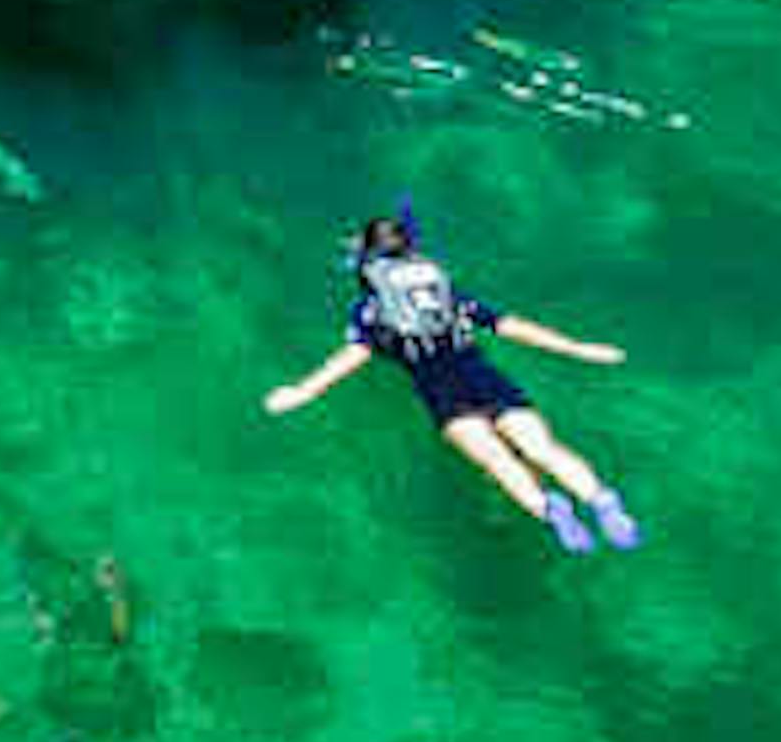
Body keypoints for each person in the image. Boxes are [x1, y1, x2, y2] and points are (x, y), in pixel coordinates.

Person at [262, 211, 640, 552]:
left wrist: (303, 390)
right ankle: (602, 500)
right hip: (486, 378)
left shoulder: (372, 311)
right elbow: (509, 325)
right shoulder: (445, 292)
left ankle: (550, 509)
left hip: (444, 395)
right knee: (542, 448)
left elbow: (353, 355)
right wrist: (578, 348)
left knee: (496, 459)